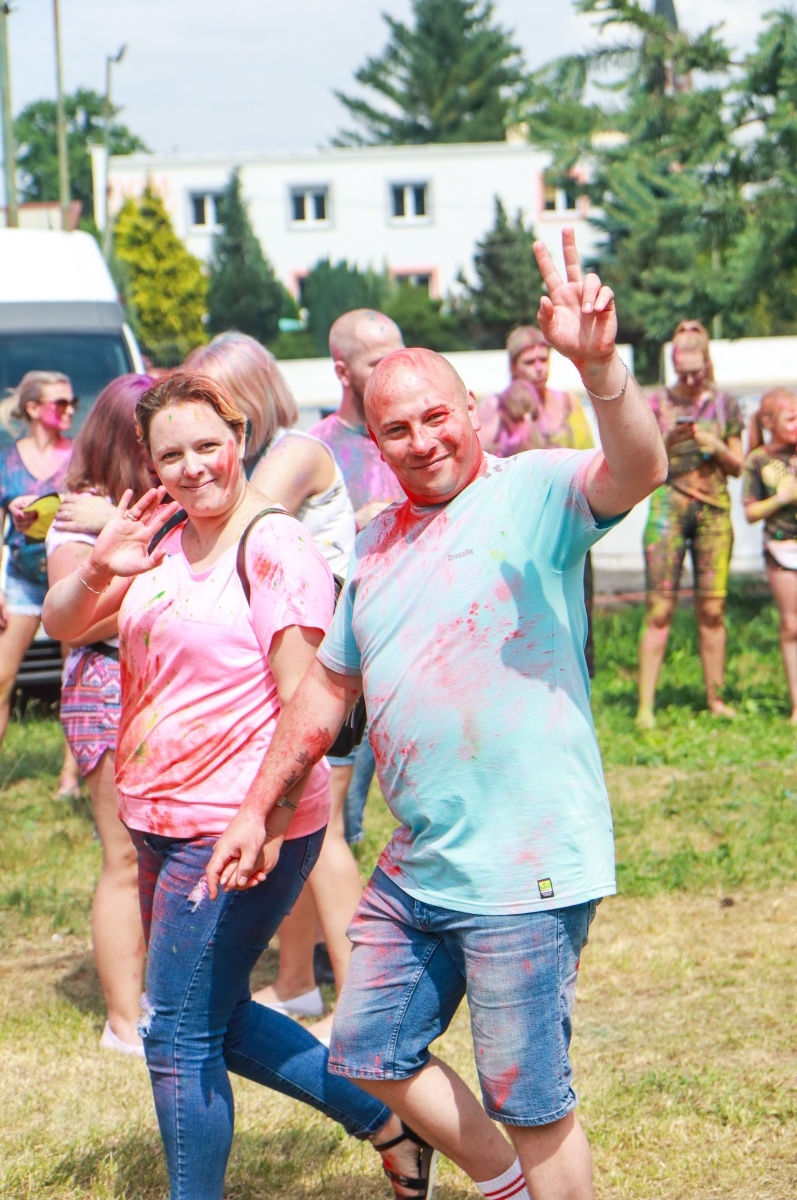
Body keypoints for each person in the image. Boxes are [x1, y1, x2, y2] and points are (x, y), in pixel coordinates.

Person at [206, 228, 668, 1200]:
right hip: (420, 864)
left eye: (435, 417)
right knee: (366, 1050)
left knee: (529, 1100)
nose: (421, 441)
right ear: (372, 444)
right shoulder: (374, 553)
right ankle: (498, 1186)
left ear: (472, 410)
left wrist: (600, 371)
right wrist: (255, 809)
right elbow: (325, 694)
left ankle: (522, 1175)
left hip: (523, 867)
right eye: (397, 430)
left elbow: (635, 470)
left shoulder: (533, 492)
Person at [42, 371, 432, 1200]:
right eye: (170, 454)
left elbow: (308, 708)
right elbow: (65, 624)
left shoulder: (273, 546)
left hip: (236, 827)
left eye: (207, 447)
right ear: (148, 462)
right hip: (158, 816)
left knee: (176, 1032)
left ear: (240, 439)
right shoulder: (164, 531)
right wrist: (101, 568)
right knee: (207, 1014)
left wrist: (266, 815)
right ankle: (388, 1122)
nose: (192, 468)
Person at [186, 331, 359, 1040]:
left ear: (245, 399)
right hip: (291, 665)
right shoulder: (264, 455)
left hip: (327, 669)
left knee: (327, 834)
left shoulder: (292, 453)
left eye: (208, 398)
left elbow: (234, 521)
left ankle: (357, 1000)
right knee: (301, 830)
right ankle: (295, 983)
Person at [45, 374, 156, 1055]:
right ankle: (123, 1020)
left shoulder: (164, 506)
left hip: (166, 690)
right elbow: (74, 625)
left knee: (166, 856)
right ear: (125, 439)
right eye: (154, 439)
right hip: (109, 687)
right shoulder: (78, 513)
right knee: (125, 858)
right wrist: (162, 575)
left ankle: (155, 997)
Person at [308, 310, 405, 853]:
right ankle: (327, 927)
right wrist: (352, 526)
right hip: (345, 645)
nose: (394, 366)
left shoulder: (417, 434)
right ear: (342, 371)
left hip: (418, 640)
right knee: (337, 797)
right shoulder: (314, 449)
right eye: (376, 359)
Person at [637, 325, 744, 728]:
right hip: (667, 508)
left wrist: (715, 446)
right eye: (683, 373)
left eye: (697, 373)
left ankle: (715, 698)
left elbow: (738, 466)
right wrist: (667, 440)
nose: (690, 381)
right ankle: (646, 705)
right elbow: (640, 462)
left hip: (714, 512)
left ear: (707, 365)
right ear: (673, 366)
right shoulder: (656, 402)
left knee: (713, 610)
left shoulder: (726, 405)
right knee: (658, 608)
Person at [481, 324, 598, 674]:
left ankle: (579, 668)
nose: (538, 367)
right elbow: (486, 456)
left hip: (569, 516)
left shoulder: (566, 403)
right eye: (529, 361)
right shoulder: (495, 406)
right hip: (519, 520)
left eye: (543, 359)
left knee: (577, 596)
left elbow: (588, 454)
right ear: (513, 365)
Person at [0, 370, 80, 797]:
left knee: (73, 677)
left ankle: (70, 776)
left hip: (68, 577)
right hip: (21, 580)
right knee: (1, 675)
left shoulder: (80, 457)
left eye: (73, 403)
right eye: (59, 403)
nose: (69, 410)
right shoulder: (7, 459)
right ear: (33, 409)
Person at [743, 388, 797, 722]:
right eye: (790, 418)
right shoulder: (758, 460)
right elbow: (750, 512)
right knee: (791, 626)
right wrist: (781, 498)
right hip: (782, 549)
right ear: (768, 422)